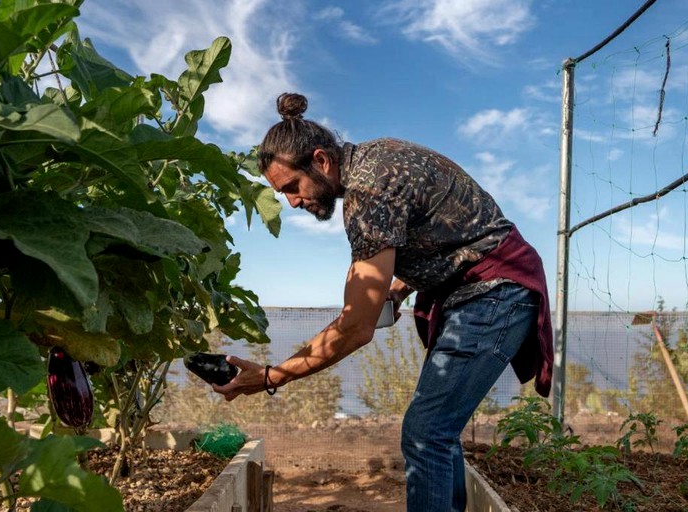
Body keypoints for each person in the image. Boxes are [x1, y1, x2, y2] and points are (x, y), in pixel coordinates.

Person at [213, 92, 553, 512]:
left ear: (320, 161)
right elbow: (442, 231)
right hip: (475, 291)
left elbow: (356, 327)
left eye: (292, 188)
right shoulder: (374, 159)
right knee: (437, 431)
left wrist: (270, 376)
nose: (293, 202)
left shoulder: (368, 193)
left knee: (426, 433)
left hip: (495, 292)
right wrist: (402, 284)